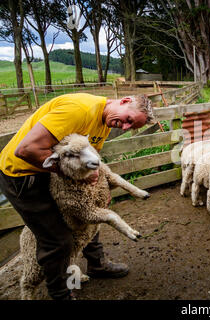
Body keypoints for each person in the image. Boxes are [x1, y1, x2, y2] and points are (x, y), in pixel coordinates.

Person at [0, 93, 155, 300]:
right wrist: (71, 173)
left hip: (49, 171)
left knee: (87, 213)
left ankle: (97, 263)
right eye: (128, 120)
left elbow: (92, 158)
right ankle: (60, 293)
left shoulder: (105, 121)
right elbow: (27, 150)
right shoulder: (79, 110)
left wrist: (99, 185)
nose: (125, 127)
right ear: (125, 101)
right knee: (57, 239)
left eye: (131, 127)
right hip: (22, 175)